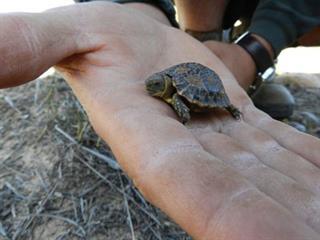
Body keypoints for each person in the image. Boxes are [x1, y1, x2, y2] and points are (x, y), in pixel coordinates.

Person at [1, 1, 320, 239]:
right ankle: (204, 34)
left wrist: (258, 47)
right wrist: (134, 8)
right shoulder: (163, 81)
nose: (152, 89)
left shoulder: (177, 91)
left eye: (156, 88)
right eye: (155, 86)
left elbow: (182, 103)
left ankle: (244, 69)